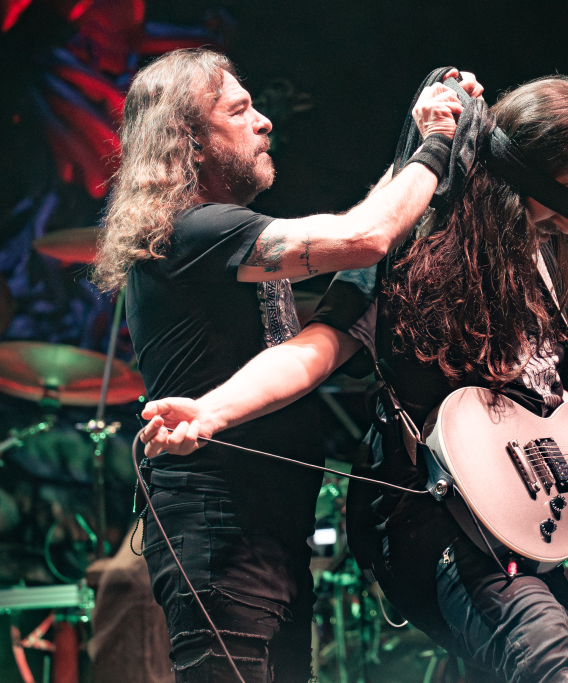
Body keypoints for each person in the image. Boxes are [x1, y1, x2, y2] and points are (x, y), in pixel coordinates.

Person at [140, 74, 568, 683]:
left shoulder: (538, 270)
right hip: (440, 520)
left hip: (522, 533)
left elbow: (565, 418)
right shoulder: (419, 247)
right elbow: (313, 349)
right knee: (550, 660)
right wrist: (214, 411)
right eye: (562, 202)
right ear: (516, 176)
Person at [91, 48, 483, 682]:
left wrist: (417, 138)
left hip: (266, 533)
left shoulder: (228, 237)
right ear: (189, 141)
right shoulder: (196, 231)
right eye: (240, 110)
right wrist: (435, 144)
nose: (264, 121)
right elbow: (366, 237)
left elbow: (324, 329)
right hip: (219, 530)